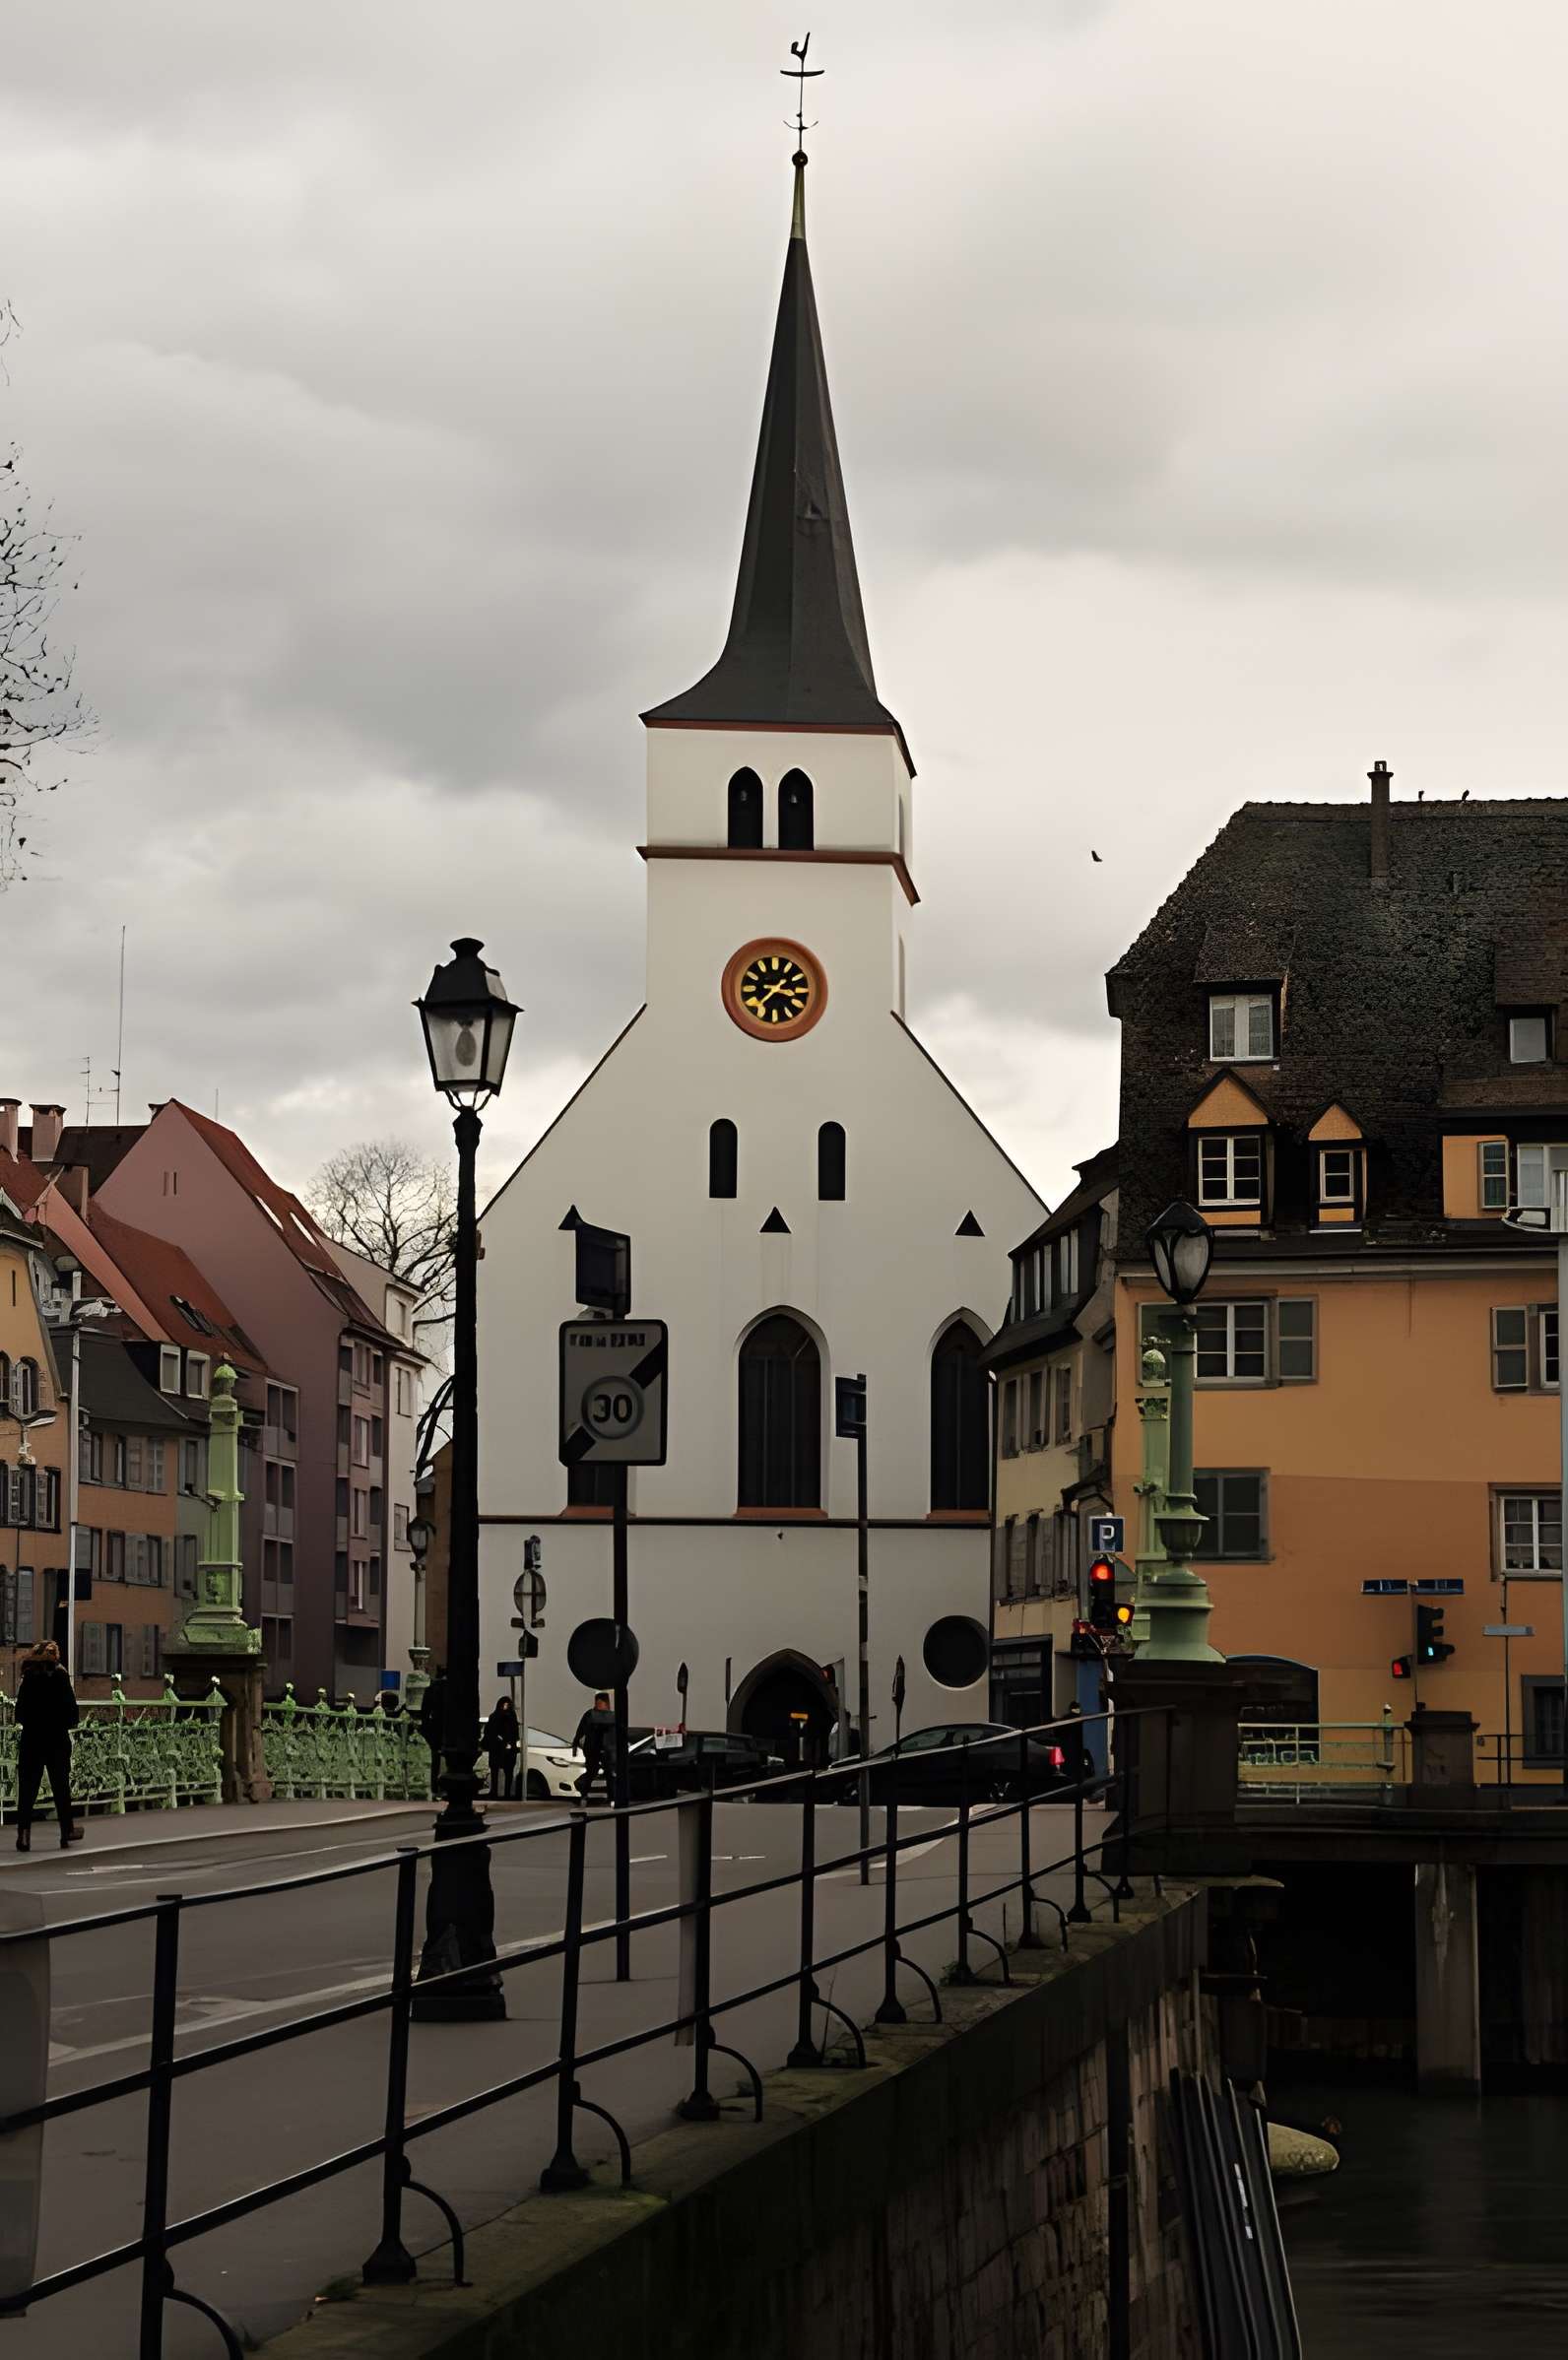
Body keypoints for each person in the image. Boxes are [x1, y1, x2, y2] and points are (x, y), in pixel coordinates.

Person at [14, 1639, 82, 1853]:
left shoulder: (29, 1678)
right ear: (55, 1656)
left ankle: (23, 1835)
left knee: (27, 1789)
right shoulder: (60, 1676)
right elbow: (72, 1714)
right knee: (61, 1786)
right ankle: (66, 1831)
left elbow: (20, 1713)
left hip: (31, 1739)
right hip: (56, 1740)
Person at [573, 1690, 617, 1802]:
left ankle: (610, 1796)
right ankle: (584, 1792)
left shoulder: (597, 1715)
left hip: (602, 1748)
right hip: (596, 1748)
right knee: (595, 1771)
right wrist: (575, 1744)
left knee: (605, 1773)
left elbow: (580, 1731)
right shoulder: (594, 1715)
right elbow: (581, 1731)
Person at [482, 1696, 520, 1801]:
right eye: (504, 1705)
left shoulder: (509, 1717)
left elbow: (515, 1733)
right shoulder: (496, 1717)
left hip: (504, 1748)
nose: (505, 1707)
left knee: (507, 1772)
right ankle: (496, 1792)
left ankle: (504, 1793)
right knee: (497, 1771)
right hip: (499, 1748)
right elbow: (491, 1732)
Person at [418, 1668, 447, 1800]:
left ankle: (435, 1786)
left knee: (435, 1758)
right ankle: (445, 1787)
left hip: (434, 1726)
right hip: (447, 1726)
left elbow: (424, 1711)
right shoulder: (450, 1689)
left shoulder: (431, 1688)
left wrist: (425, 1725)